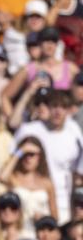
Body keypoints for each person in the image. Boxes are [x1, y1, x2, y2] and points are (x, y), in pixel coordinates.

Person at [14, 90, 83, 224]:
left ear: (68, 111)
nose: (58, 112)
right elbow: (12, 158)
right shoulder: (29, 130)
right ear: (47, 108)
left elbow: (78, 171)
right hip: (35, 199)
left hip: (64, 203)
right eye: (54, 106)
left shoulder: (74, 132)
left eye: (63, 107)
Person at [0, 136, 58, 225]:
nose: (28, 158)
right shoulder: (13, 179)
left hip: (40, 231)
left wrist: (44, 219)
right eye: (25, 154)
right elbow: (2, 177)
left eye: (32, 154)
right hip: (19, 229)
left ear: (40, 157)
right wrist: (19, 152)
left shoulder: (47, 183)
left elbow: (55, 216)